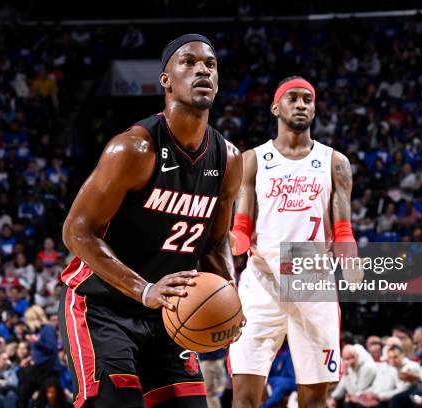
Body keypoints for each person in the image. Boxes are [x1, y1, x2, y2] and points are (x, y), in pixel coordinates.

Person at [59, 33, 243, 408]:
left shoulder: (228, 158)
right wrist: (145, 289)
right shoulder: (133, 148)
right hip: (103, 307)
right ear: (166, 80)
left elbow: (215, 241)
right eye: (189, 63)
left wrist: (229, 292)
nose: (202, 70)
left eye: (210, 64)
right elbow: (76, 231)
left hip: (169, 313)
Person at [228, 76, 360, 407]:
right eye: (293, 98)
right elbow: (242, 222)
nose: (301, 104)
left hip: (313, 282)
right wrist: (234, 244)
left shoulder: (334, 162)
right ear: (276, 107)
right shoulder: (253, 159)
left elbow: (343, 228)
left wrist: (350, 258)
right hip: (263, 281)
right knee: (244, 395)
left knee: (314, 399)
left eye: (307, 99)